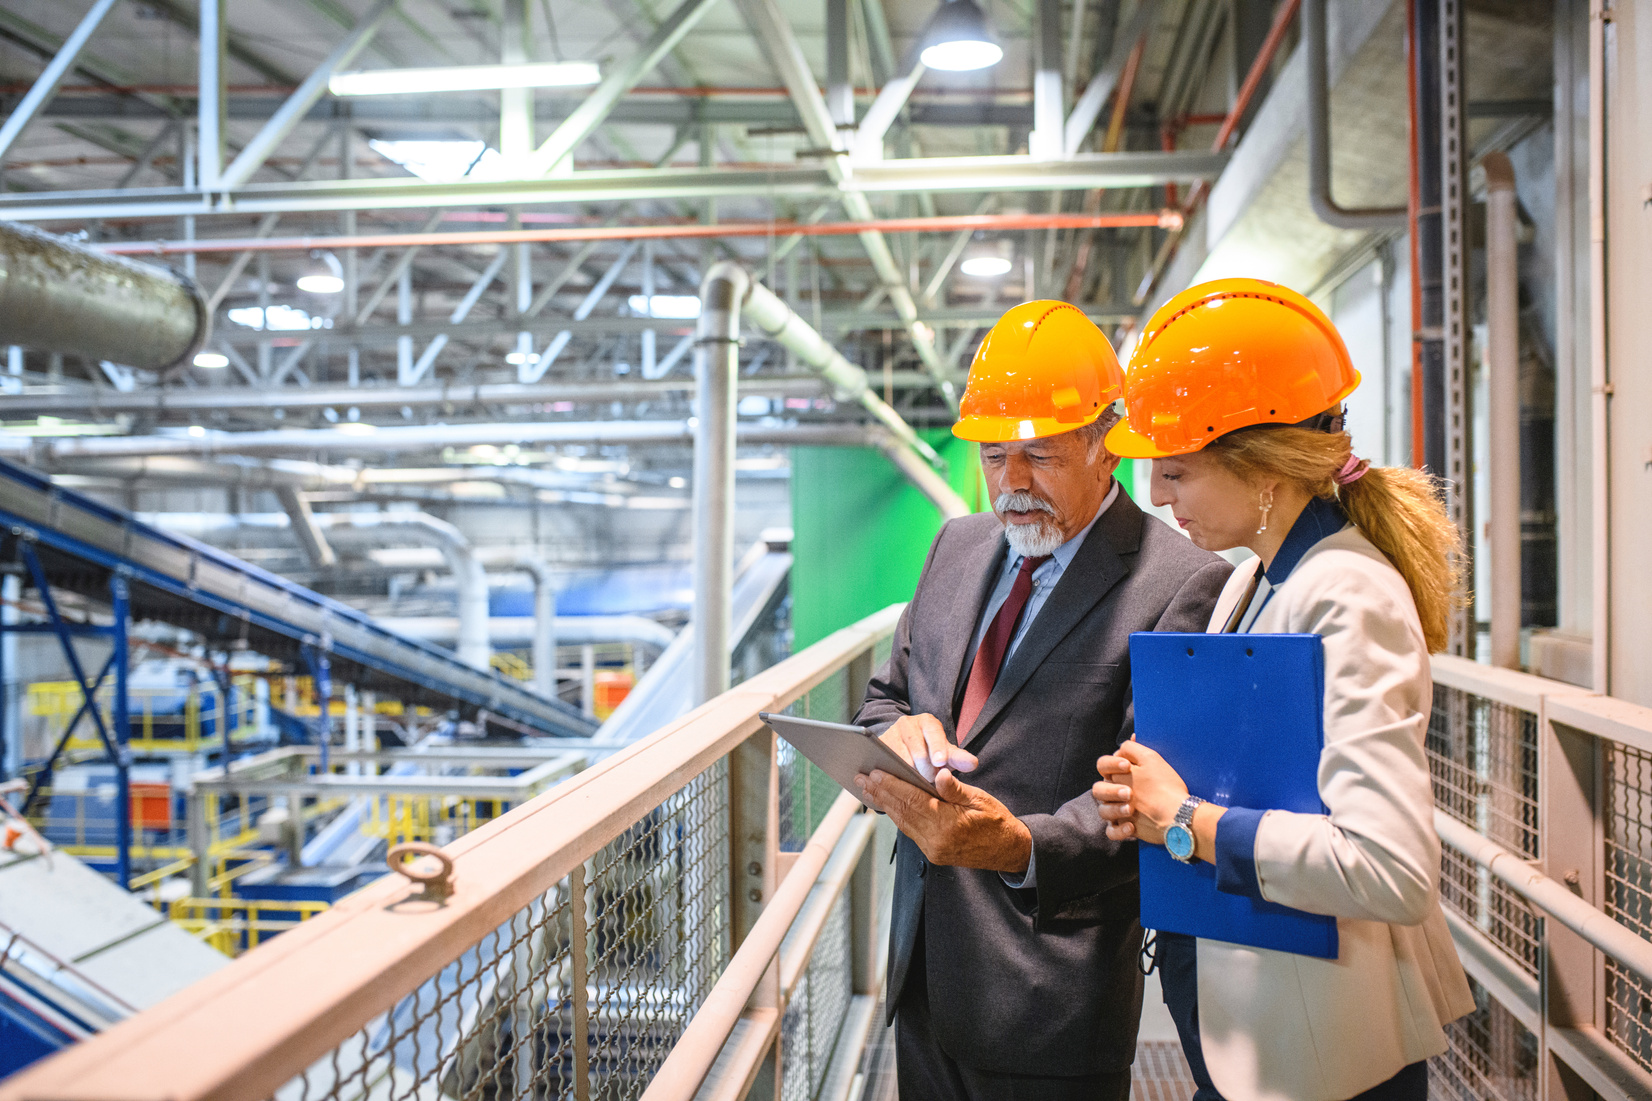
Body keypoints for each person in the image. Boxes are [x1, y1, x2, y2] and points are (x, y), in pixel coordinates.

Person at [1091, 278, 1476, 1101]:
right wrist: (1152, 796)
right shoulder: (1252, 582)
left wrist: (1185, 821)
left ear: (1261, 467)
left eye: (1178, 470)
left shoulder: (1346, 593)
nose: (1157, 493)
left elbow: (1390, 868)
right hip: (1255, 1036)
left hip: (1321, 1063)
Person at [850, 300, 1232, 1101]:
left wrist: (1019, 845)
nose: (1012, 482)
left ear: (1107, 449)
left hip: (1048, 1004)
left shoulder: (1180, 583)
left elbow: (1152, 802)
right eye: (995, 456)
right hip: (924, 973)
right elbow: (883, 699)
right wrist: (901, 734)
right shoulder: (956, 547)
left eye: (1039, 455)